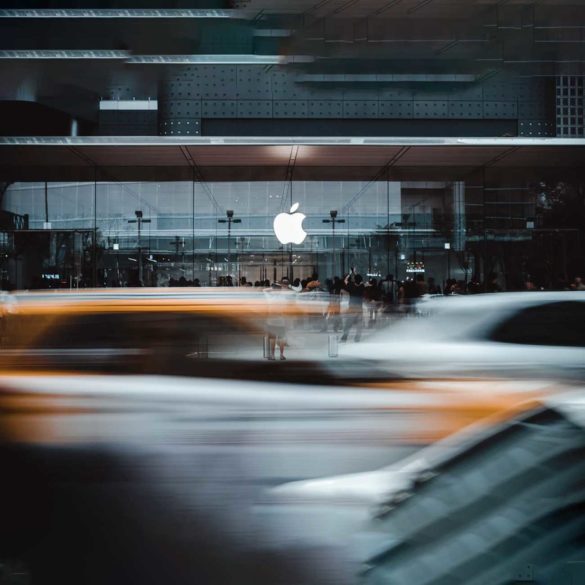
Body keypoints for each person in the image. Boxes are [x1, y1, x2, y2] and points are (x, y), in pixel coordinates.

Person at [341, 270, 364, 342]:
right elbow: (360, 280)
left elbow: (345, 280)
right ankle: (357, 338)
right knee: (359, 324)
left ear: (354, 280)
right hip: (359, 308)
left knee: (348, 323)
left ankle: (345, 337)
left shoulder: (351, 286)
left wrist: (350, 273)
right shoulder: (362, 286)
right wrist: (356, 273)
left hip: (352, 307)